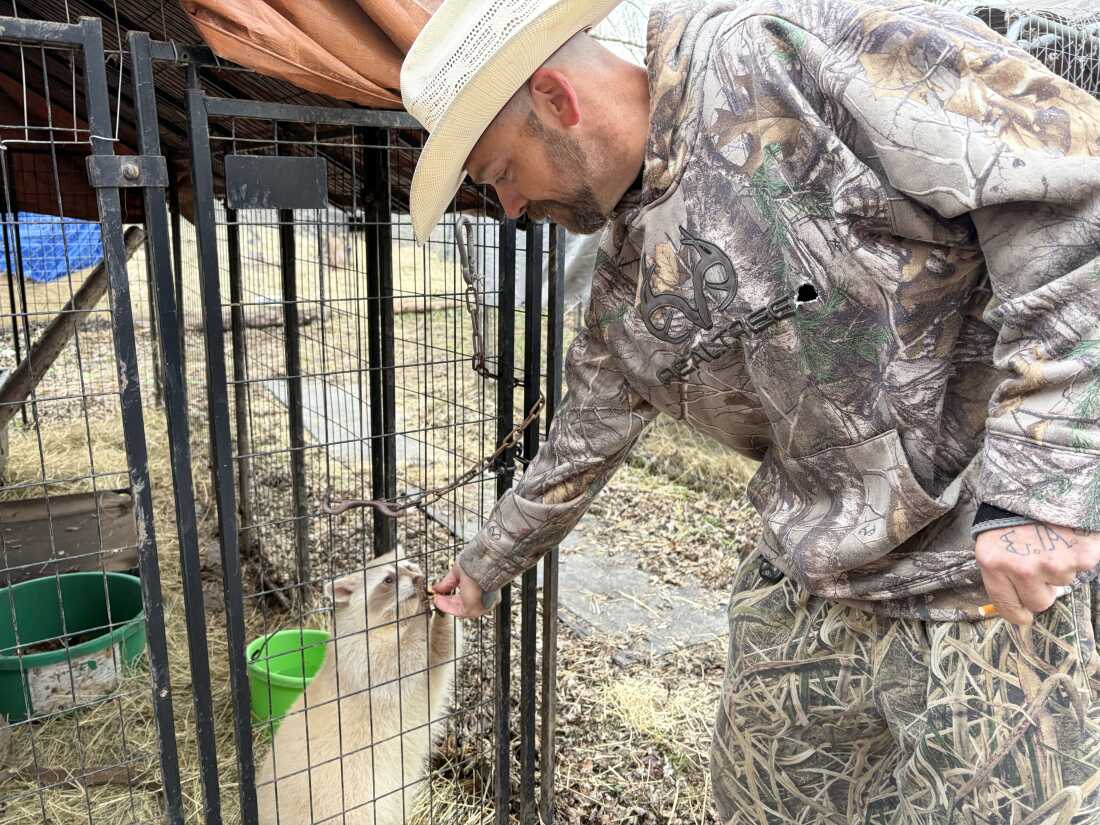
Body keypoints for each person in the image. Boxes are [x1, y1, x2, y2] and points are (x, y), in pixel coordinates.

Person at [400, 0, 1100, 821]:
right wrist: (485, 565)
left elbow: (1075, 199)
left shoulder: (786, 51)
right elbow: (581, 440)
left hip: (988, 583)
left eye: (501, 174)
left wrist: (1041, 491)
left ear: (555, 100)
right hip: (809, 581)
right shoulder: (625, 279)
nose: (511, 208)